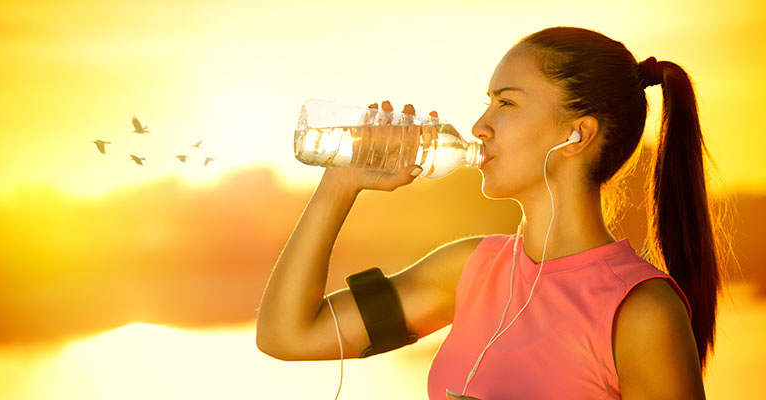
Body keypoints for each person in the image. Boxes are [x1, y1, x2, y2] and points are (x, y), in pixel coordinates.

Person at [256, 26, 725, 399]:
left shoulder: (640, 310)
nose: (480, 126)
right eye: (488, 102)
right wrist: (341, 181)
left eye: (506, 102)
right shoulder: (470, 270)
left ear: (576, 135)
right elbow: (287, 335)